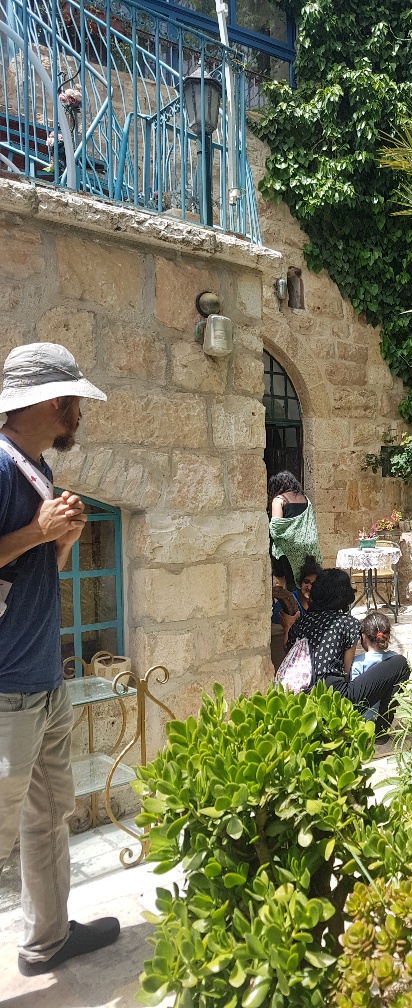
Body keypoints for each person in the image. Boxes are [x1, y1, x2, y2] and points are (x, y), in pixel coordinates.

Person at [0, 343, 120, 977]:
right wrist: (39, 530)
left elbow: (33, 570)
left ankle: (46, 941)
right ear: (51, 402)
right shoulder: (0, 466)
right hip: (7, 691)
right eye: (75, 401)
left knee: (47, 820)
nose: (80, 413)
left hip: (44, 683)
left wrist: (63, 539)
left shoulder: (35, 468)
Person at [287, 570, 410, 741]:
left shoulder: (301, 623)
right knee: (400, 664)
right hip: (336, 700)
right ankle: (380, 730)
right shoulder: (348, 623)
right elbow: (347, 672)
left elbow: (289, 654)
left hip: (302, 699)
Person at [268, 470, 322, 589]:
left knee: (288, 583)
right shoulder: (305, 499)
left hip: (288, 548)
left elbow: (276, 528)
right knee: (307, 580)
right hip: (308, 547)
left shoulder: (279, 500)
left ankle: (289, 598)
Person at [350, 611, 399, 725]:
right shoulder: (394, 659)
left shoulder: (358, 663)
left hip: (362, 721)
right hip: (384, 717)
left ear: (363, 637)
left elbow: (354, 695)